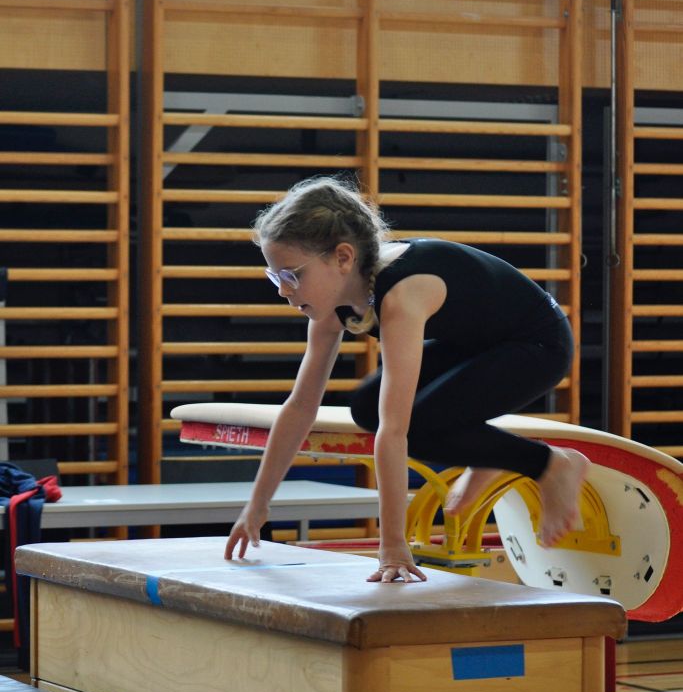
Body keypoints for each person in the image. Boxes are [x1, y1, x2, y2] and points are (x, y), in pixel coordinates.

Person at [225, 175, 588, 583]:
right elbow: (300, 406)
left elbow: (395, 431)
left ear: (343, 258)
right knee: (366, 407)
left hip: (538, 346)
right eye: (275, 278)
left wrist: (393, 547)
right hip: (479, 344)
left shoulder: (402, 295)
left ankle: (550, 464)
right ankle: (490, 454)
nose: (282, 291)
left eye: (291, 276)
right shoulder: (332, 305)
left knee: (412, 427)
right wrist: (257, 505)